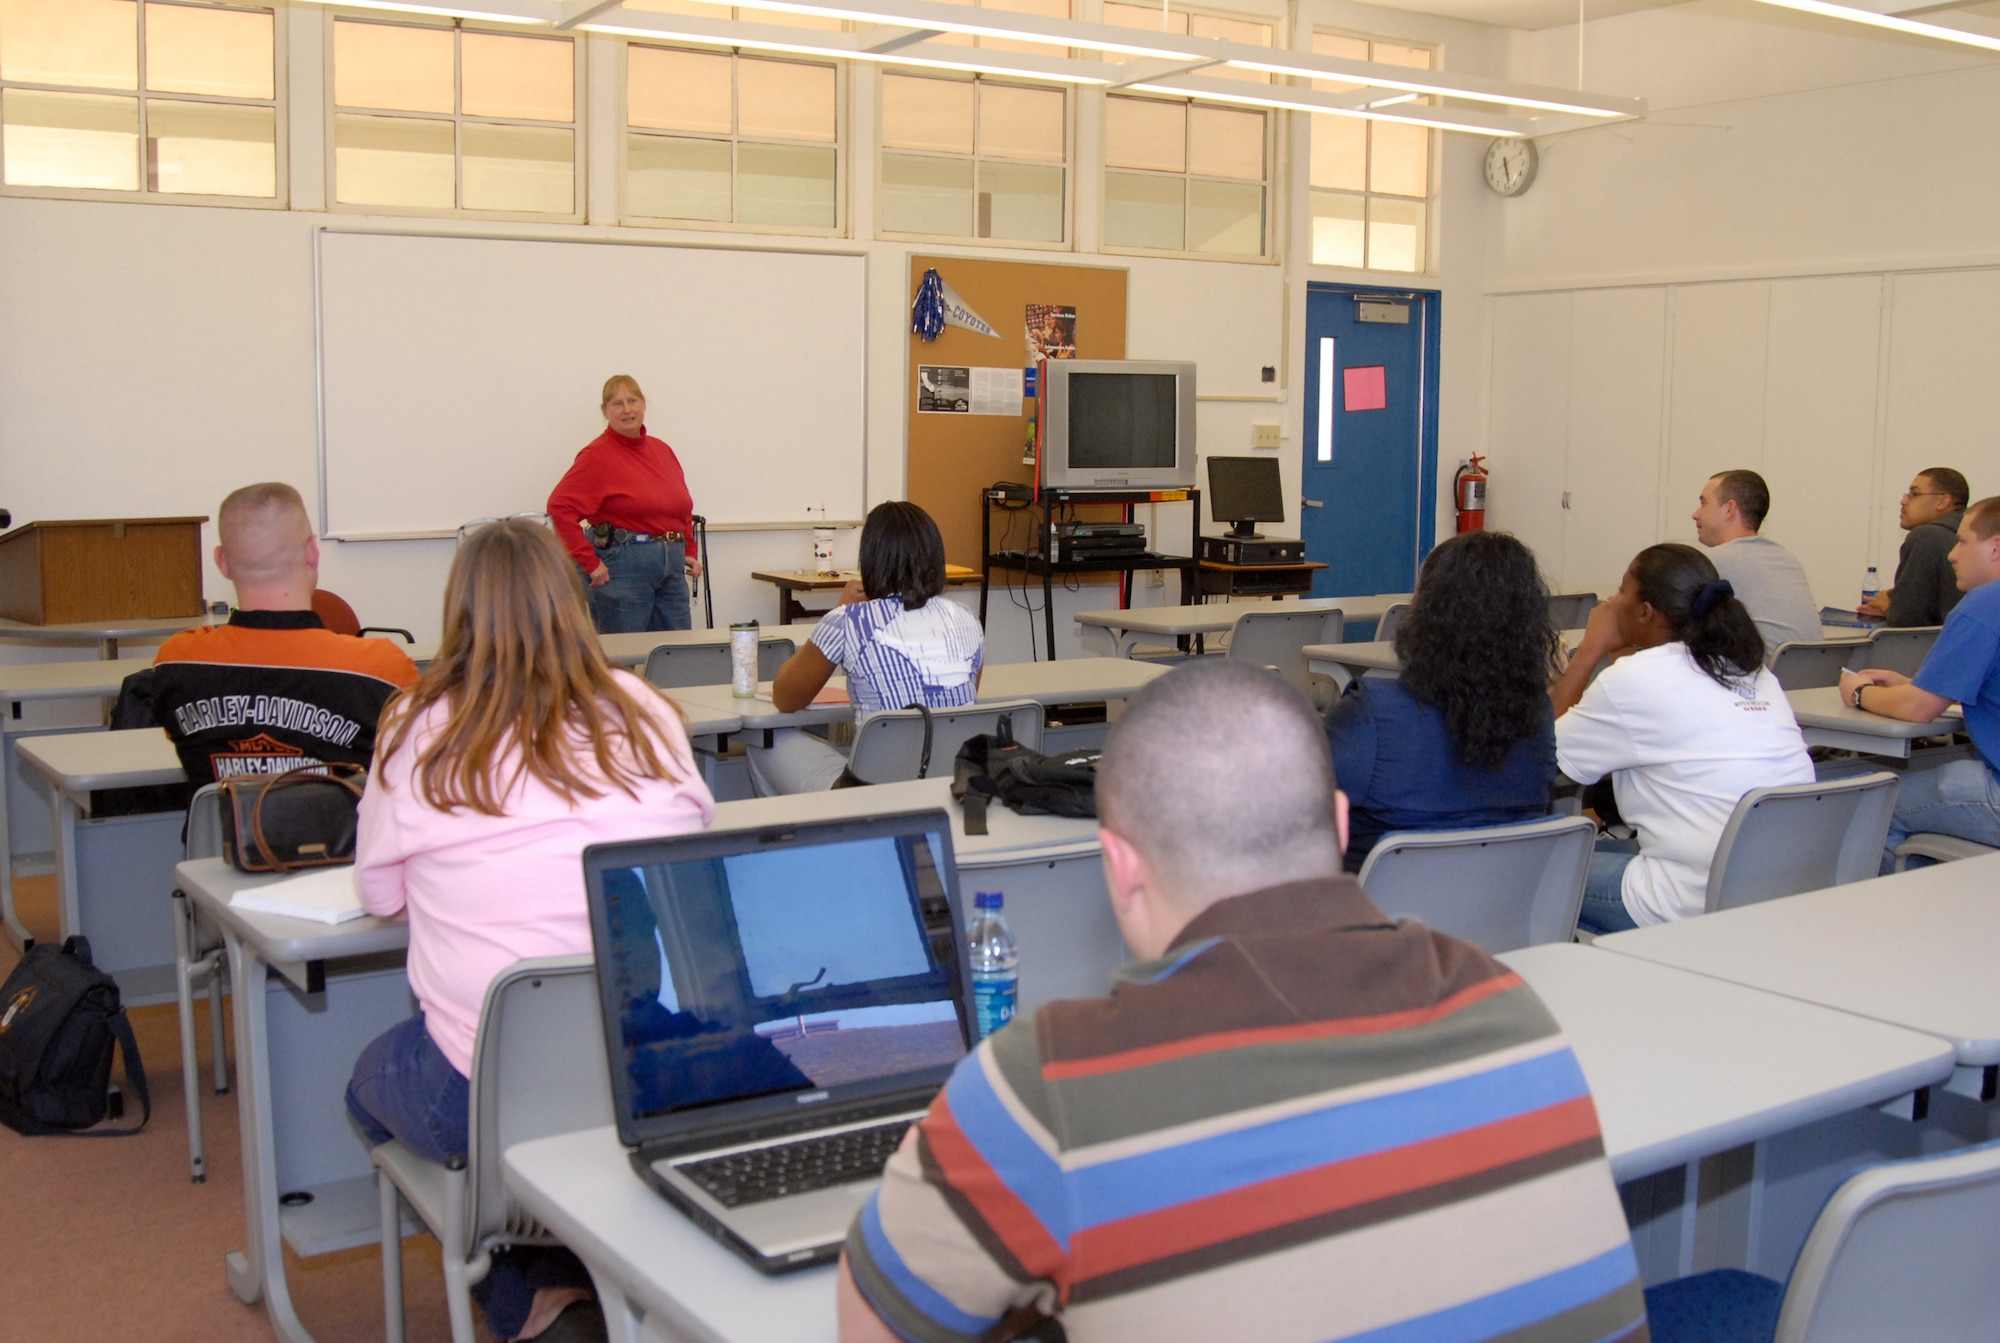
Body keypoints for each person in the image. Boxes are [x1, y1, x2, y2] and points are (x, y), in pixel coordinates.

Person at [837, 661, 1646, 1343]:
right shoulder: (1509, 1007)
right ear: (1337, 824)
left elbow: (869, 1323)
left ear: (1116, 865)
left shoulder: (1049, 1086)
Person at [344, 519, 715, 1343]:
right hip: (642, 1064)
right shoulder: (647, 710)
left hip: (481, 1089)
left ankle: (527, 1297)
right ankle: (583, 1268)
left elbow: (378, 893)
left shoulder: (413, 725)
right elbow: (691, 858)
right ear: (575, 598)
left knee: (366, 1085)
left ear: (459, 612)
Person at [1553, 543, 1813, 934]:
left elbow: (1542, 756)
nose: (1611, 601)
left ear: (1645, 611)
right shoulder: (1752, 671)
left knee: (1529, 872)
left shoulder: (1638, 679)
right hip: (1777, 889)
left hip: (1687, 901)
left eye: (1622, 590)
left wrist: (1588, 651)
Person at [128, 482, 418, 783]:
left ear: (222, 562)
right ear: (312, 552)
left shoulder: (177, 660)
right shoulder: (383, 669)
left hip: (226, 831)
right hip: (343, 832)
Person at [1324, 530, 1559, 869]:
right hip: (1500, 911)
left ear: (1428, 613)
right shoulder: (1537, 717)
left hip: (1378, 911)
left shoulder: (1373, 712)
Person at [747, 501, 983, 795]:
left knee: (763, 736)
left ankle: (809, 836)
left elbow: (786, 697)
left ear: (871, 560)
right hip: (951, 788)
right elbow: (960, 697)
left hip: (872, 795)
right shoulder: (967, 618)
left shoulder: (848, 620)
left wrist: (840, 610)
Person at [1841, 495, 2000, 869]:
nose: (1952, 555)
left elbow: (1918, 708)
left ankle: (1883, 919)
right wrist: (1915, 684)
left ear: (1995, 547)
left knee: (1874, 804)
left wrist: (1860, 693)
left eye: (1963, 542)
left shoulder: (1984, 604)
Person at [547, 374, 702, 634]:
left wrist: (689, 549)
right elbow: (559, 508)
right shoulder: (597, 456)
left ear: (644, 405)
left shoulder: (662, 450)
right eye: (617, 403)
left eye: (633, 401)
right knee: (622, 658)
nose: (627, 409)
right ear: (604, 411)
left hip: (671, 568)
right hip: (623, 566)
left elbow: (681, 508)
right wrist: (589, 563)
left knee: (675, 654)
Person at [1692, 469, 1821, 654]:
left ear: (1729, 509)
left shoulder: (1711, 562)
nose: (1695, 514)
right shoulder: (1786, 558)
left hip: (1759, 678)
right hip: (1812, 679)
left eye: (1703, 503)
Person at [1859, 468, 1969, 627]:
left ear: (1942, 501)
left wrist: (1891, 607)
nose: (1904, 501)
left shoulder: (1926, 536)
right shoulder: (1975, 533)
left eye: (1914, 494)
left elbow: (1908, 618)